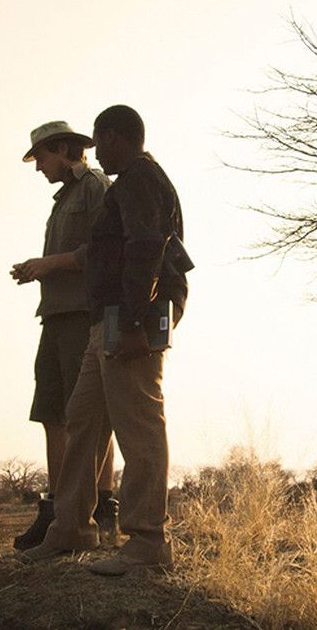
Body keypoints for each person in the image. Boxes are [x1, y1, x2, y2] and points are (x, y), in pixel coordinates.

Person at [22, 104, 191, 576]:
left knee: (138, 424)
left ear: (116, 137)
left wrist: (135, 323)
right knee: (82, 418)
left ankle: (147, 541)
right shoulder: (130, 182)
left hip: (128, 319)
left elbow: (145, 249)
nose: (98, 154)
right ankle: (70, 528)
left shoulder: (140, 179)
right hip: (110, 319)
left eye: (101, 142)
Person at [10, 120, 117, 551]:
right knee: (53, 412)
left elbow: (107, 251)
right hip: (55, 315)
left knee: (88, 416)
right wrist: (39, 268)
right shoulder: (64, 197)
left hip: (83, 316)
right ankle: (57, 510)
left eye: (41, 158)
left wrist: (49, 264)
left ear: (60, 149)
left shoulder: (94, 186)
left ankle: (98, 508)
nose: (38, 169)